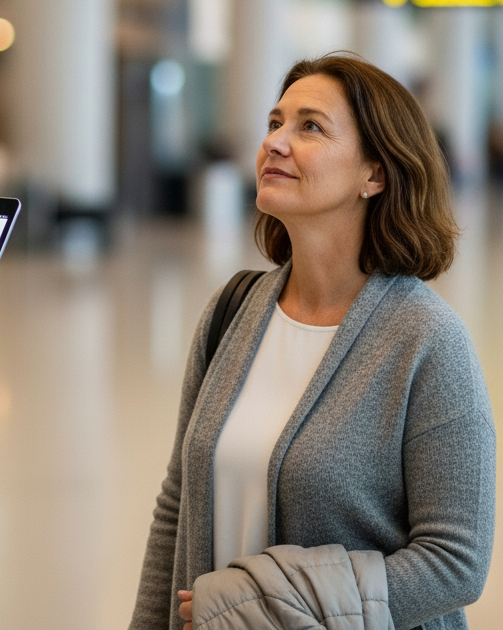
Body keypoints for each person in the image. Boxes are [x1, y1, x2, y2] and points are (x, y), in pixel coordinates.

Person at [129, 53, 495, 630]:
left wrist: (261, 609)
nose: (275, 142)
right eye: (275, 123)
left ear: (373, 174)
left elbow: (455, 563)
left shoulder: (427, 341)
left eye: (310, 127)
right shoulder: (233, 310)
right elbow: (178, 505)